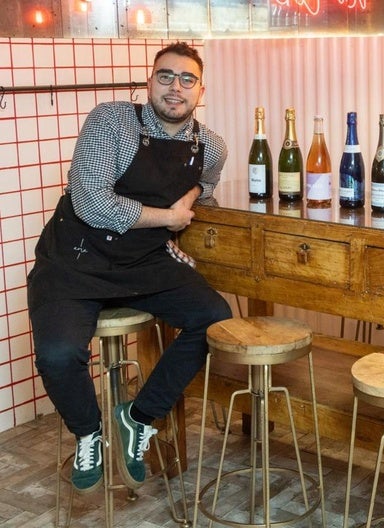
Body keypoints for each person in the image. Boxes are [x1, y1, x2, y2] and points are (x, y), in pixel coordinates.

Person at [27, 42, 232, 494]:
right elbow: (92, 203)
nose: (175, 88)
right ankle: (88, 432)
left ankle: (137, 417)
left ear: (201, 90)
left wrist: (186, 213)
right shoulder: (111, 120)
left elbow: (206, 184)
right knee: (59, 355)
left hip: (146, 261)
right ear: (149, 81)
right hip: (75, 260)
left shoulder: (210, 144)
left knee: (214, 319)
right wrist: (170, 220)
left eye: (186, 79)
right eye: (165, 76)